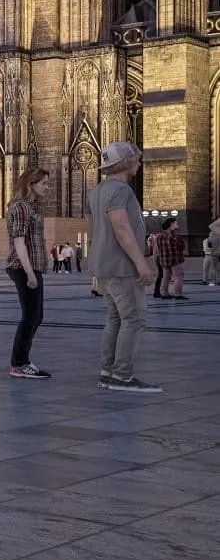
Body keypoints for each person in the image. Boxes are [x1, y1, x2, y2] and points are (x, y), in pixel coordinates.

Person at [87, 142, 161, 393]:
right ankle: (122, 375)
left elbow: (98, 231)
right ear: (126, 163)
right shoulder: (120, 190)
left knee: (115, 318)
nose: (139, 164)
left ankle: (108, 371)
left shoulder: (97, 191)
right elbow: (121, 227)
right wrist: (141, 262)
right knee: (134, 318)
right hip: (122, 266)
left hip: (104, 265)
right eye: (137, 160)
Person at [4, 165, 51, 380]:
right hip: (24, 267)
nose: (47, 187)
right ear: (30, 184)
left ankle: (21, 361)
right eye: (43, 183)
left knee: (35, 316)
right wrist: (30, 273)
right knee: (30, 316)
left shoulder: (31, 207)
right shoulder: (21, 208)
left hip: (31, 267)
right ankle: (19, 363)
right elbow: (19, 242)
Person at [155, 215, 186, 300]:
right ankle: (178, 294)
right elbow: (181, 247)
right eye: (176, 223)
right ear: (171, 224)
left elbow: (158, 247)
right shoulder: (176, 236)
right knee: (178, 277)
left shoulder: (159, 236)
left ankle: (164, 293)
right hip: (175, 260)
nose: (177, 224)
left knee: (166, 277)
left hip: (164, 260)